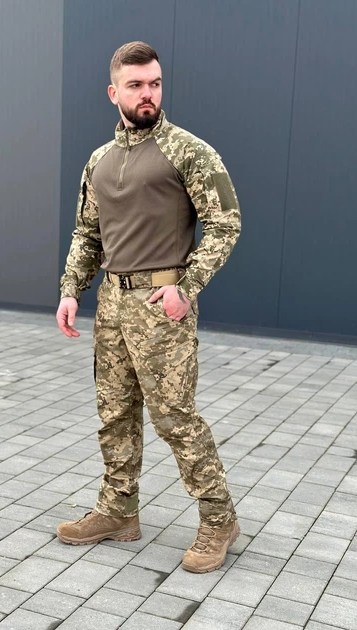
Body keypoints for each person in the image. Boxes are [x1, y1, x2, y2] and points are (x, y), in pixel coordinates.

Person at [56, 41, 241, 573]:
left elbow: (225, 223)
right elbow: (88, 234)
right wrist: (71, 289)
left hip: (162, 304)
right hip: (112, 304)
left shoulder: (189, 151)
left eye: (155, 84)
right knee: (114, 413)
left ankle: (219, 519)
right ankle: (118, 511)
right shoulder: (100, 160)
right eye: (135, 85)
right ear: (113, 92)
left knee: (174, 416)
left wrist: (188, 286)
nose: (147, 94)